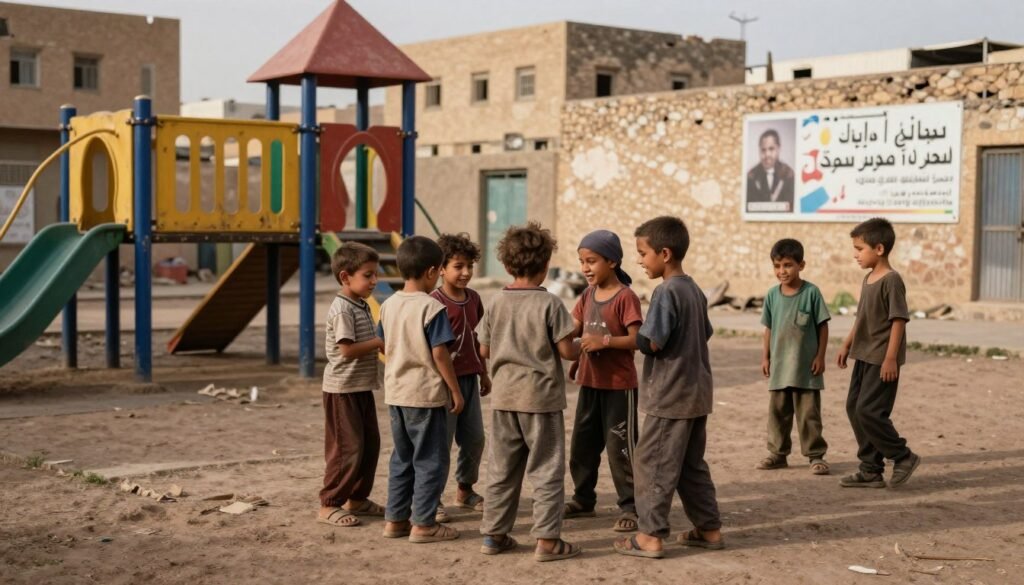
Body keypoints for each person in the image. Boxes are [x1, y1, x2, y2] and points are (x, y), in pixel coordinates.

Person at [614, 216, 723, 559]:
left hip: (670, 396)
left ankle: (650, 535)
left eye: (643, 253)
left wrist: (631, 336)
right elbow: (704, 332)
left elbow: (651, 343)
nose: (640, 260)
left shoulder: (666, 292)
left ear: (664, 253)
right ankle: (709, 529)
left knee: (653, 465)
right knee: (691, 465)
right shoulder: (693, 290)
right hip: (696, 393)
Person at [476, 221, 583, 562]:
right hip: (541, 399)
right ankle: (548, 542)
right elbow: (567, 351)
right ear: (545, 265)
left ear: (507, 266)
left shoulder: (494, 302)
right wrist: (585, 344)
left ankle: (493, 535)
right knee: (546, 469)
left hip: (504, 398)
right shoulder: (550, 305)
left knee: (501, 469)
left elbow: (484, 350)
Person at [377, 236, 465, 543]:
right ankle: (424, 524)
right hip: (424, 396)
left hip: (396, 394)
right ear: (432, 272)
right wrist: (455, 390)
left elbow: (384, 343)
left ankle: (395, 520)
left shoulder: (387, 305)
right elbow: (440, 354)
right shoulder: (432, 307)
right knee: (430, 459)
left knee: (402, 458)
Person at [563, 229, 643, 532]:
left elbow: (636, 340)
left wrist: (604, 342)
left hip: (619, 388)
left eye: (592, 261)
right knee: (582, 446)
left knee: (620, 448)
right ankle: (583, 498)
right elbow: (573, 328)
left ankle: (632, 507)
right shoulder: (587, 295)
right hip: (590, 383)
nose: (585, 268)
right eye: (582, 261)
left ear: (612, 261)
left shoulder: (626, 297)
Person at [837, 218, 920, 488]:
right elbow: (862, 316)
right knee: (854, 408)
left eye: (859, 249)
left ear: (879, 249)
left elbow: (899, 320)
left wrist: (890, 358)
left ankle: (903, 456)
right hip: (863, 355)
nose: (855, 254)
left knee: (869, 411)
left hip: (882, 359)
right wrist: (847, 343)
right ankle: (870, 469)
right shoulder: (868, 279)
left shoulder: (892, 280)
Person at [316, 242, 386, 528]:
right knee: (348, 448)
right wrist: (380, 342)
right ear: (346, 277)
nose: (374, 280)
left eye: (375, 274)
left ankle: (357, 499)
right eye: (368, 275)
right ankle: (329, 503)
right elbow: (347, 350)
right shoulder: (343, 308)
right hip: (342, 390)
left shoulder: (360, 304)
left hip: (360, 387)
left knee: (370, 445)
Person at [758, 238, 831, 475]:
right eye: (777, 266)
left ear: (802, 265)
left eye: (788, 265)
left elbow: (822, 326)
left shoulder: (811, 293)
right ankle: (778, 454)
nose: (782, 271)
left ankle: (816, 456)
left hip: (805, 368)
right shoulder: (772, 295)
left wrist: (820, 356)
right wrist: (766, 358)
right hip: (779, 367)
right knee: (778, 414)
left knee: (809, 414)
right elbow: (768, 328)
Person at [430, 233, 490, 524]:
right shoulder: (433, 302)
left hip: (469, 380)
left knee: (475, 439)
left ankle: (465, 489)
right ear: (441, 268)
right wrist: (450, 387)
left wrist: (484, 373)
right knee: (440, 444)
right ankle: (433, 498)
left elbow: (480, 340)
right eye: (458, 266)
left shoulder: (475, 299)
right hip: (443, 385)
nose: (465, 272)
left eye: (469, 266)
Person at [746, 128, 795, 212]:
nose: (767, 154)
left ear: (778, 149)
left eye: (771, 149)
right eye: (763, 150)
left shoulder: (789, 174)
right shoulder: (751, 176)